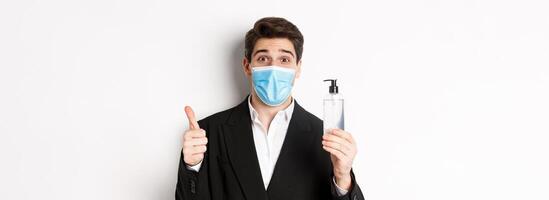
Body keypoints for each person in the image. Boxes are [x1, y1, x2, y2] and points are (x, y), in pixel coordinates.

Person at [175, 17, 365, 200]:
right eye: (263, 58)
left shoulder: (325, 137)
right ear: (247, 66)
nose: (274, 68)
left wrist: (343, 177)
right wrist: (192, 167)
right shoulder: (207, 133)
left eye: (284, 60)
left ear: (298, 68)